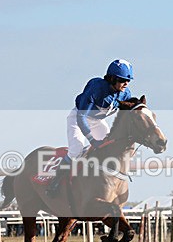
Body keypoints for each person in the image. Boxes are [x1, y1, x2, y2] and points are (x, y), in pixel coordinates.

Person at [46, 59, 134, 195]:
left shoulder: (125, 94)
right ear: (112, 78)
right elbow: (82, 117)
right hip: (78, 118)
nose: (126, 83)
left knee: (109, 146)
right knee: (76, 150)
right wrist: (92, 140)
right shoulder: (97, 87)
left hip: (97, 121)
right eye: (123, 80)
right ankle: (55, 182)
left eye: (128, 80)